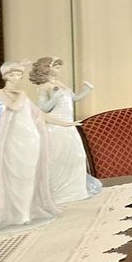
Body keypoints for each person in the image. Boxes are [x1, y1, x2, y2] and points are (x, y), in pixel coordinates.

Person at [0, 62, 61, 233]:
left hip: (31, 139)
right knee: (16, 176)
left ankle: (27, 213)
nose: (16, 78)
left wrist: (67, 123)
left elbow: (40, 114)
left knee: (30, 176)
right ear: (5, 76)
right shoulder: (1, 93)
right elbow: (14, 106)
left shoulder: (22, 94)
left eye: (18, 75)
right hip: (13, 141)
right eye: (12, 75)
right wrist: (21, 94)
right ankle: (17, 214)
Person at [30, 57, 101, 204]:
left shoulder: (59, 84)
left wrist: (87, 90)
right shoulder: (44, 87)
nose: (58, 69)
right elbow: (43, 109)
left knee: (77, 156)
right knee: (58, 159)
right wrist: (55, 97)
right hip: (56, 127)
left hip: (69, 125)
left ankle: (76, 191)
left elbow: (74, 98)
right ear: (46, 69)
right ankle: (59, 194)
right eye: (55, 66)